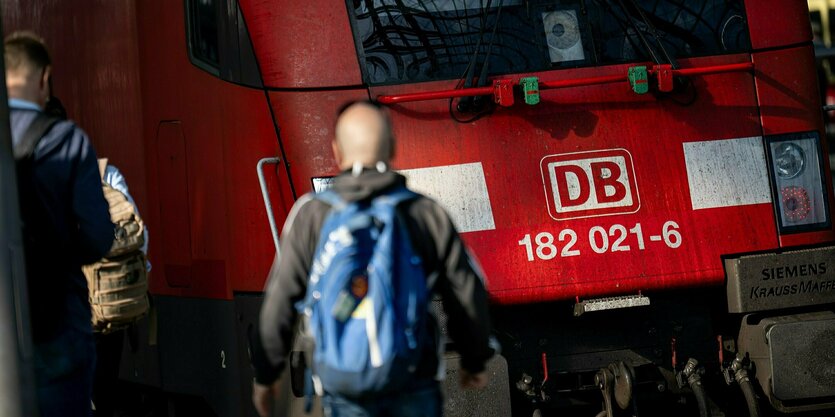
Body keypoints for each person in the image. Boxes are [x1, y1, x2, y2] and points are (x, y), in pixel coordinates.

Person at [251, 101, 494, 417]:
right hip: (412, 380)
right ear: (392, 147)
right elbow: (466, 291)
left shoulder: (311, 215)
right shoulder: (423, 213)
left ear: (337, 151)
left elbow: (279, 303)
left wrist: (266, 377)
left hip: (345, 388)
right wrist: (474, 361)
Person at [6, 31, 114, 417]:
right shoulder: (68, 141)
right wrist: (60, 251)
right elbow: (100, 238)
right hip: (58, 320)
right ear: (43, 79)